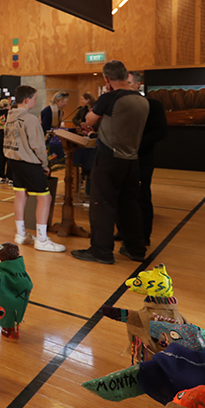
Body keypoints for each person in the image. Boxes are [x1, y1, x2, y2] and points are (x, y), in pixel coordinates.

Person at [71, 60, 149, 265]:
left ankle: (101, 251)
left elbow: (89, 120)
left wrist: (102, 100)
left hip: (109, 158)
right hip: (132, 158)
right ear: (125, 75)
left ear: (107, 79)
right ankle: (136, 249)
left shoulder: (110, 98)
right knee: (130, 205)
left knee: (102, 205)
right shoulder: (142, 100)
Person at [4, 85, 65, 252]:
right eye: (35, 98)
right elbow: (37, 146)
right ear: (27, 100)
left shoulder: (9, 116)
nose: (36, 102)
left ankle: (21, 234)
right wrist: (44, 165)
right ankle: (42, 239)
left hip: (13, 161)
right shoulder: (30, 119)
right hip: (29, 162)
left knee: (21, 195)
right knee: (45, 198)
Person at [128, 71, 168, 247]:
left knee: (141, 197)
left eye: (129, 82)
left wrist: (138, 144)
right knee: (123, 196)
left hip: (142, 157)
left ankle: (144, 235)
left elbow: (161, 131)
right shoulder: (120, 105)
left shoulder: (153, 105)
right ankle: (123, 231)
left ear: (138, 84)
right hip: (122, 158)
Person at [0, 99, 11, 183]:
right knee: (9, 156)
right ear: (7, 106)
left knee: (1, 157)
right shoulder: (9, 113)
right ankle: (9, 176)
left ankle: (1, 177)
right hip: (8, 136)